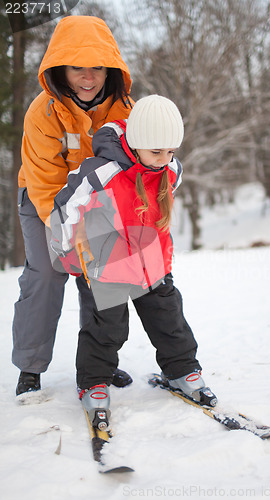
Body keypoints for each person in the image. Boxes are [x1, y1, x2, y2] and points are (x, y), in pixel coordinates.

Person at [49, 95, 217, 428]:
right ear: (137, 143)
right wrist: (67, 250)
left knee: (170, 321)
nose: (164, 160)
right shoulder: (102, 172)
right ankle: (94, 383)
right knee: (108, 329)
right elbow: (66, 208)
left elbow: (169, 186)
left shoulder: (170, 169)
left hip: (153, 264)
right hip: (108, 266)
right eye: (157, 152)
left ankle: (183, 372)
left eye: (171, 152)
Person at [12, 16, 134, 397]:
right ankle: (30, 367)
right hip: (43, 202)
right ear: (59, 68)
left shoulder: (124, 111)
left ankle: (100, 363)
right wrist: (70, 231)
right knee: (46, 276)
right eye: (77, 67)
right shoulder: (42, 113)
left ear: (110, 69)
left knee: (102, 279)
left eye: (97, 67)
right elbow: (46, 184)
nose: (88, 77)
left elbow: (133, 168)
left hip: (100, 203)